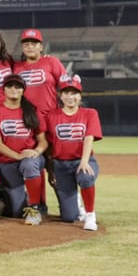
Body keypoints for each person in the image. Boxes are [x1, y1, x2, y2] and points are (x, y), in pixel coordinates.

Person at [0, 74, 48, 225]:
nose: (14, 89)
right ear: (4, 90)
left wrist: (37, 152)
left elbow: (43, 141)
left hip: (29, 158)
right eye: (10, 86)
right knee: (15, 212)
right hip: (7, 162)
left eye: (18, 87)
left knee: (29, 163)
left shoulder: (32, 111)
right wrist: (17, 155)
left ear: (23, 90)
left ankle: (35, 208)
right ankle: (12, 198)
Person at [44, 74, 101, 230]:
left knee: (85, 177)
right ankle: (76, 203)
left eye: (74, 93)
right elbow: (48, 144)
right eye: (66, 93)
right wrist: (51, 170)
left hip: (82, 160)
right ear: (60, 96)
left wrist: (84, 161)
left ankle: (90, 215)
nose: (70, 97)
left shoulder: (90, 113)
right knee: (69, 217)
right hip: (61, 164)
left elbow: (89, 138)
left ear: (80, 95)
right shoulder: (51, 116)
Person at [14, 29, 66, 116]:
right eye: (26, 44)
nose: (30, 47)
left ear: (41, 47)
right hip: (24, 118)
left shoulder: (52, 62)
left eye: (33, 44)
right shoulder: (16, 67)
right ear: (22, 48)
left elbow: (66, 86)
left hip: (50, 116)